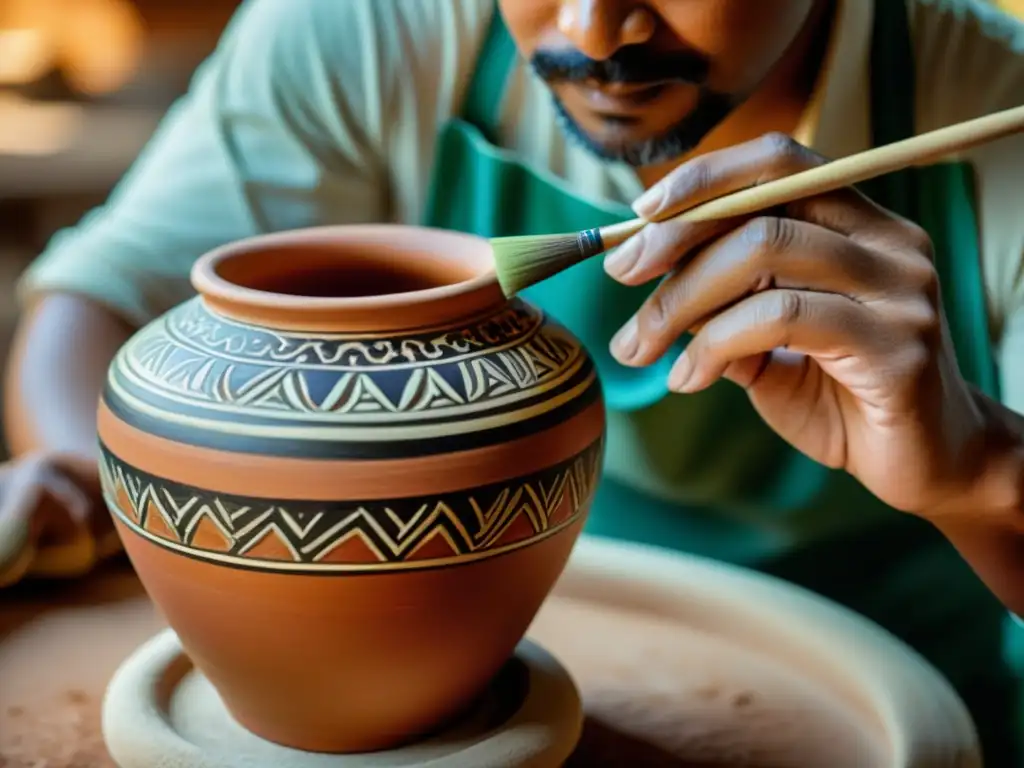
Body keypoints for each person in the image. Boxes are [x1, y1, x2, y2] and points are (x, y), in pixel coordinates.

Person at [2, 0, 1024, 760]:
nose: (597, 30)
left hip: (898, 679)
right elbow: (94, 301)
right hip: (545, 637)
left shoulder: (995, 105)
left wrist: (977, 471)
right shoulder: (374, 30)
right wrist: (76, 475)